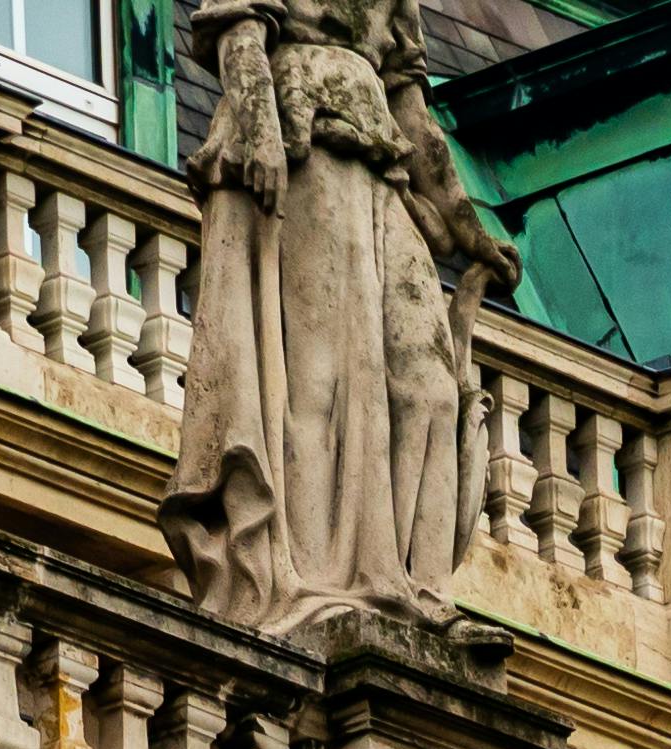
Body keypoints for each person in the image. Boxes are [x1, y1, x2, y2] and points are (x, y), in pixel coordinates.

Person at [164, 0, 516, 642]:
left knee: (430, 385)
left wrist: (469, 227)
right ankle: (322, 582)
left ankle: (423, 591)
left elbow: (411, 109)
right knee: (315, 386)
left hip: (381, 170)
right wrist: (261, 131)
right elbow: (238, 28)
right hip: (303, 150)